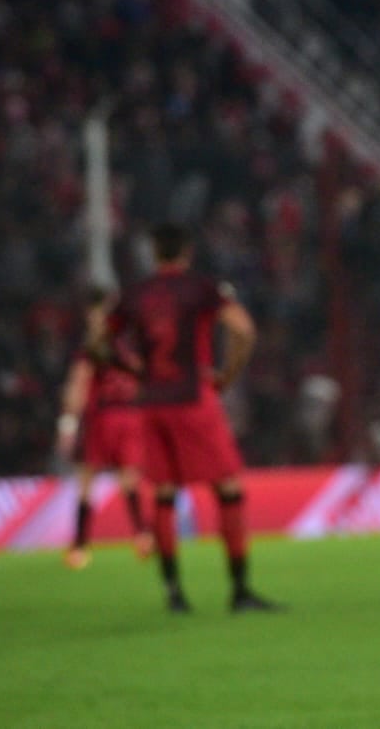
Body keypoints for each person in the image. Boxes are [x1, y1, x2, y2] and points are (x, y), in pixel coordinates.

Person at [108, 223, 278, 614]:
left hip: (152, 400)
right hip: (192, 396)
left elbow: (102, 341)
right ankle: (239, 591)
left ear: (154, 253)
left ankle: (174, 594)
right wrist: (227, 375)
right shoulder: (201, 288)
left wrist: (135, 370)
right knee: (228, 486)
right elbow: (244, 330)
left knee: (164, 492)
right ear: (186, 253)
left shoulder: (135, 294)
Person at [56, 287, 153, 569]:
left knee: (87, 478)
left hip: (104, 417)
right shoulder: (130, 343)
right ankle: (143, 537)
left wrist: (67, 425)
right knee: (128, 478)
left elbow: (78, 385)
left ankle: (80, 547)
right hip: (130, 416)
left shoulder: (92, 347)